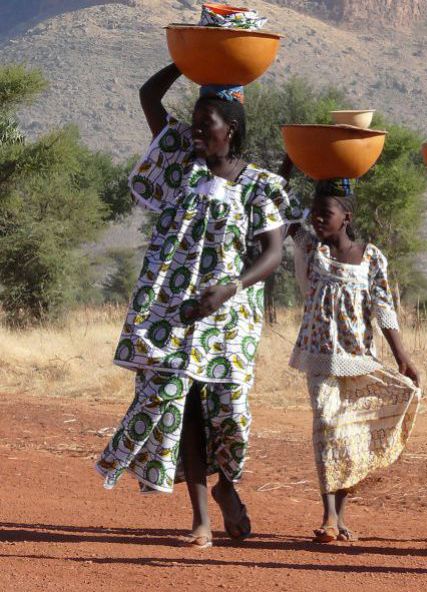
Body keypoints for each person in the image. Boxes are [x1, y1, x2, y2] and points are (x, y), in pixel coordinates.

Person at [95, 63, 303, 549]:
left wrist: (231, 287)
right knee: (182, 405)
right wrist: (189, 62)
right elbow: (149, 95)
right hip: (174, 310)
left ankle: (228, 484)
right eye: (193, 122)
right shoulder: (178, 165)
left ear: (229, 129)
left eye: (204, 123)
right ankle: (200, 518)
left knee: (230, 411)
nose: (194, 130)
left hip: (230, 314)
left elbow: (272, 253)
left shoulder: (259, 185)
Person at [286, 177, 422, 543]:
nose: (316, 219)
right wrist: (308, 170)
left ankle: (340, 516)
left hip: (359, 358)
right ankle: (329, 516)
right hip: (318, 358)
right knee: (327, 427)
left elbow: (384, 308)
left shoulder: (372, 257)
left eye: (324, 213)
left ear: (346, 217)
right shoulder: (311, 250)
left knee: (348, 436)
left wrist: (402, 357)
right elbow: (285, 215)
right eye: (314, 214)